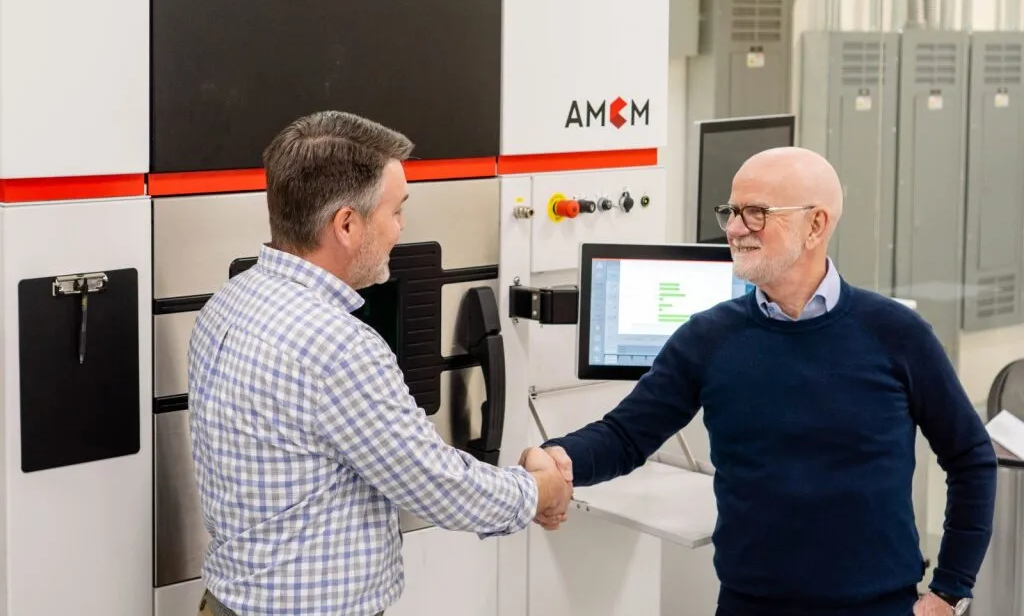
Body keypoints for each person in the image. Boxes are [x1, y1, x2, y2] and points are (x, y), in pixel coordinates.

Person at [539, 147, 997, 616]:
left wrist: (949, 591)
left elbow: (970, 457)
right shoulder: (708, 337)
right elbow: (625, 436)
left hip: (878, 606)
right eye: (732, 211)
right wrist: (557, 460)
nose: (735, 229)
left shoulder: (896, 333)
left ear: (815, 225)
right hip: (748, 606)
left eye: (756, 213)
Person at [187, 111, 572, 616]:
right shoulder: (337, 346)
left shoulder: (228, 302)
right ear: (347, 224)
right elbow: (438, 485)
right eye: (395, 211)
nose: (400, 228)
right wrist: (539, 489)